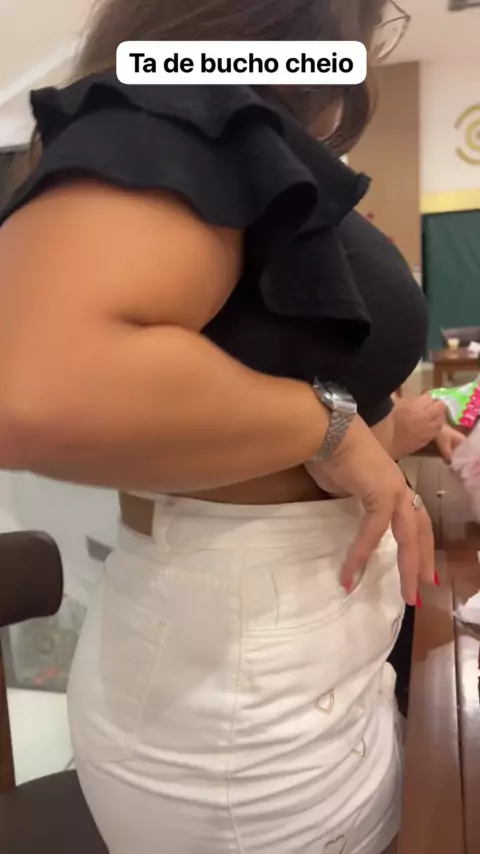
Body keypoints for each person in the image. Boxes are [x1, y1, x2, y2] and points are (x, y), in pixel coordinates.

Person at [0, 2, 431, 853]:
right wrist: (331, 430)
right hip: (246, 702)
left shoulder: (231, 134)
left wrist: (381, 442)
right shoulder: (177, 103)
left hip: (302, 664)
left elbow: (277, 378)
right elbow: (38, 390)